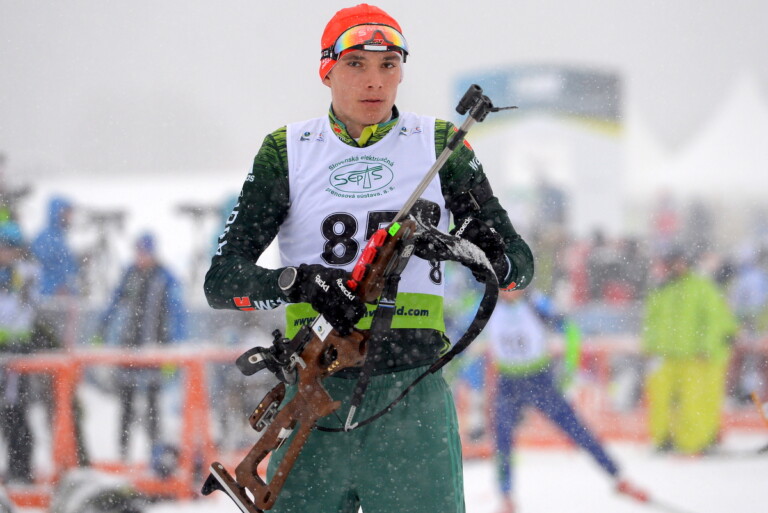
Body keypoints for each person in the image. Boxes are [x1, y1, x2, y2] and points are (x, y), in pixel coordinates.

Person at [203, 4, 534, 512]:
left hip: (411, 399)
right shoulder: (286, 151)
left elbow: (518, 267)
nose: (375, 80)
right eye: (356, 63)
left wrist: (475, 248)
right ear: (327, 70)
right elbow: (222, 282)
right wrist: (296, 282)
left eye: (389, 64)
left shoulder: (441, 145)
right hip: (316, 394)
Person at [486, 289, 644, 513]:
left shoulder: (536, 303)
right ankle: (506, 497)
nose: (509, 290)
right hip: (508, 382)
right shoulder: (487, 302)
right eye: (503, 285)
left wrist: (569, 368)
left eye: (514, 284)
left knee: (577, 429)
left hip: (539, 380)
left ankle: (618, 477)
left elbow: (571, 330)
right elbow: (462, 332)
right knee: (502, 441)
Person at [98, 232, 187, 463]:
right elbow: (114, 303)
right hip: (129, 349)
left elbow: (177, 312)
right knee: (126, 405)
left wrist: (174, 348)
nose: (141, 257)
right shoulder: (130, 275)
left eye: (144, 252)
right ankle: (123, 454)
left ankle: (155, 455)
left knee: (153, 406)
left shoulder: (164, 277)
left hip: (156, 350)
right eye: (138, 252)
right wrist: (101, 329)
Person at [642, 247, 738, 455]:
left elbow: (713, 320)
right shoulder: (663, 289)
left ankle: (693, 443)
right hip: (667, 355)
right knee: (663, 400)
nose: (675, 266)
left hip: (693, 355)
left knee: (693, 400)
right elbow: (652, 320)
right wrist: (650, 346)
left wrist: (707, 348)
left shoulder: (700, 288)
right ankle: (665, 439)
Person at [0, 220, 39, 484]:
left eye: (6, 247)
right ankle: (15, 466)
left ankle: (22, 468)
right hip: (5, 348)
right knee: (6, 412)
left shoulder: (24, 272)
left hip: (17, 349)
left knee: (15, 410)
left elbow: (18, 311)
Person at [31, 196, 79, 296]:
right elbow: (45, 268)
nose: (70, 217)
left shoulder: (60, 237)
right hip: (48, 295)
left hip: (63, 294)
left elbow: (67, 267)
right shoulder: (46, 238)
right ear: (57, 213)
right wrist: (56, 287)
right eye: (67, 212)